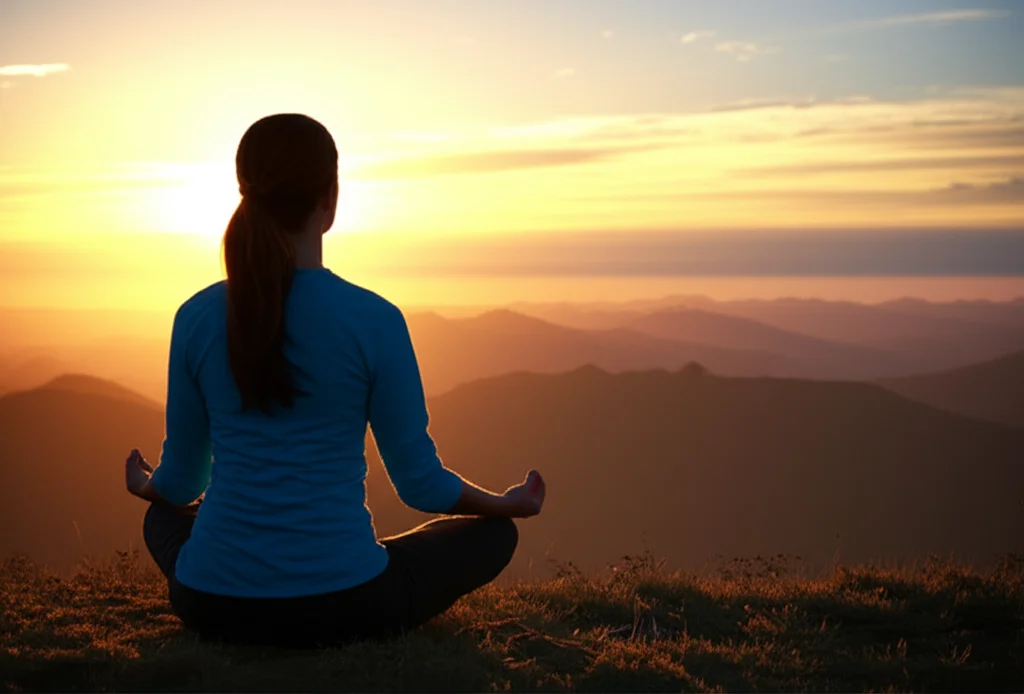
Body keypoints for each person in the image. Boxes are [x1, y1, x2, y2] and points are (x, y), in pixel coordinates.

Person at [124, 113, 546, 647]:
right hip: (348, 605)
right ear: (331, 197)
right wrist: (506, 504)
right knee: (493, 536)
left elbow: (184, 485)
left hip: (211, 602)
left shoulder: (197, 316)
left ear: (244, 194)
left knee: (162, 520)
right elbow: (420, 484)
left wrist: (147, 487)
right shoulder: (374, 320)